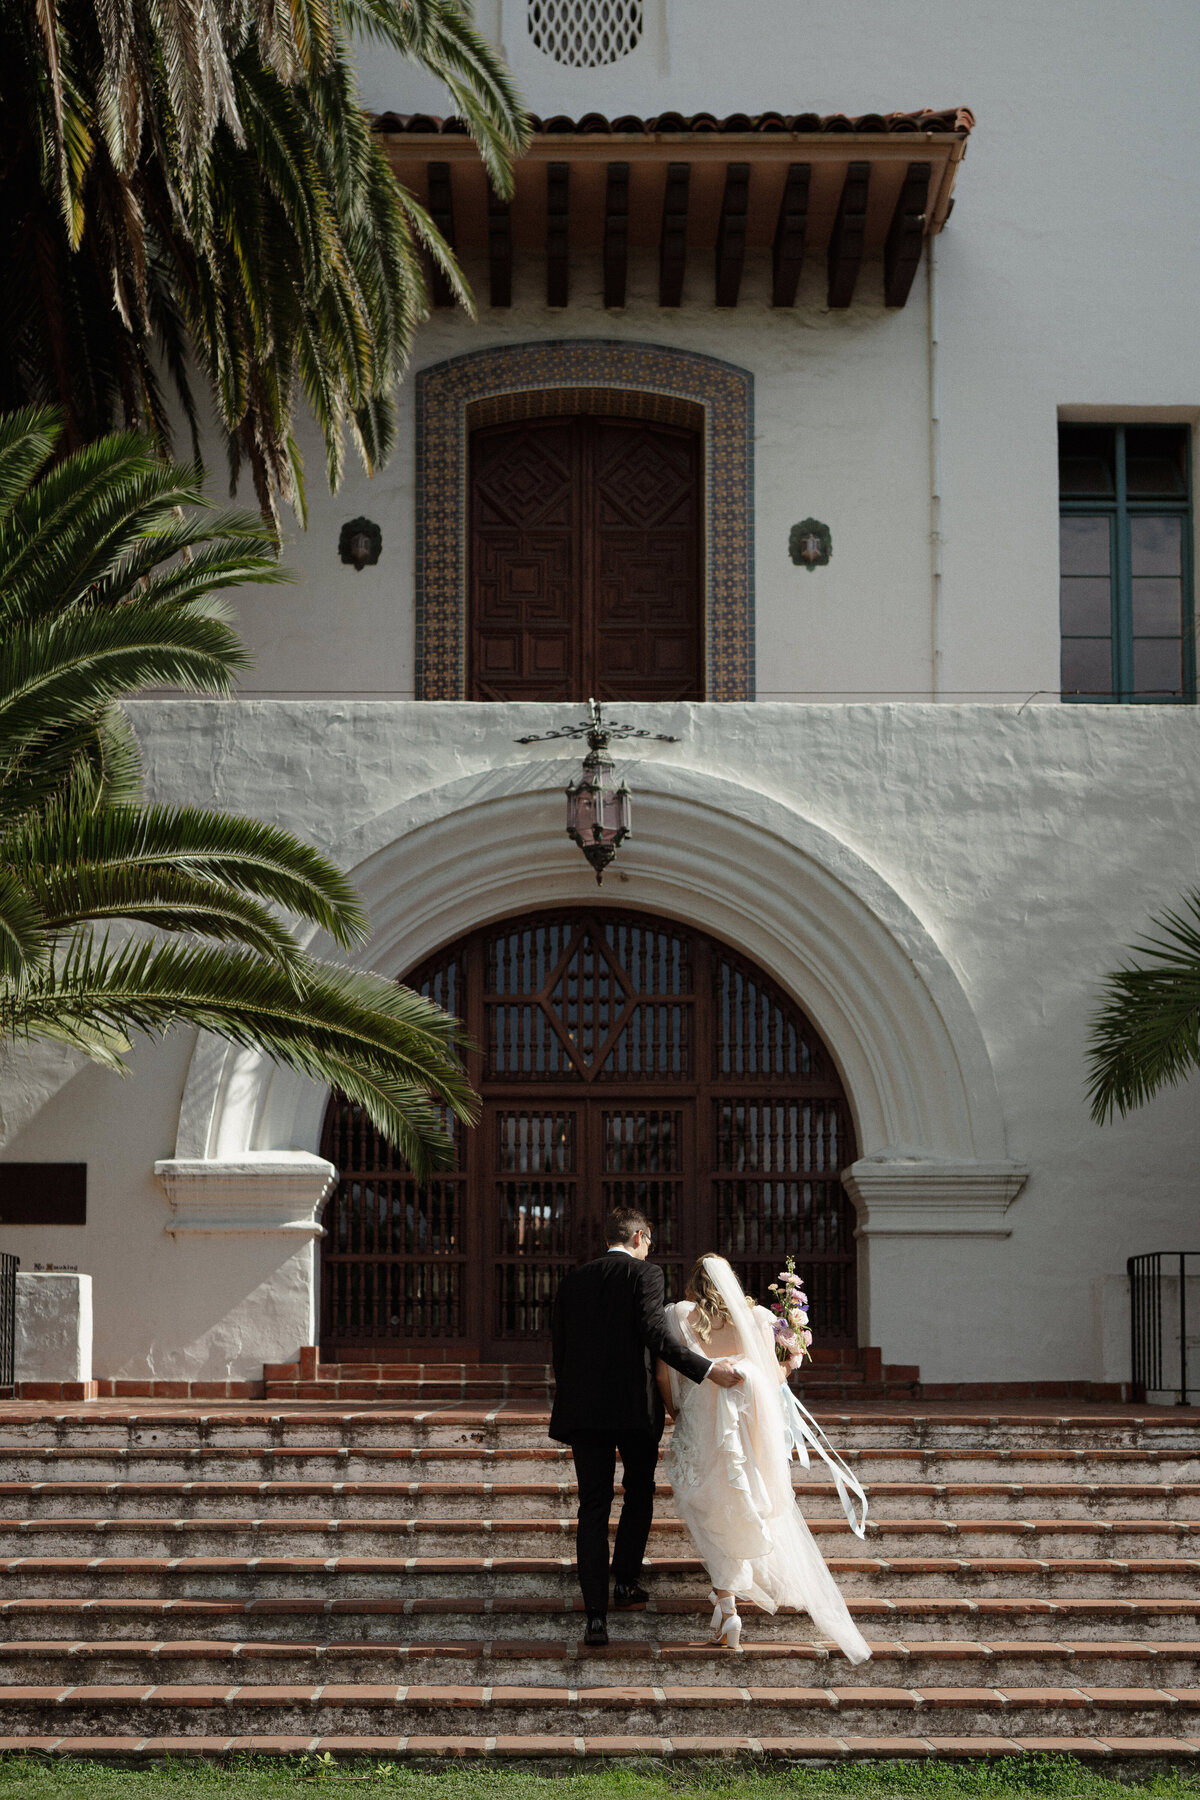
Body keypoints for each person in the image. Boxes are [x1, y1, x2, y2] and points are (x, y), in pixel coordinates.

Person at [655, 1254, 872, 1663]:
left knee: (711, 1512)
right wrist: (790, 1362)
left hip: (701, 1430)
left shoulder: (680, 1315)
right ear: (732, 1281)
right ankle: (727, 1608)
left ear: (694, 1282)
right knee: (743, 1505)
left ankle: (728, 1608)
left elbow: (664, 1373)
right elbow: (770, 1379)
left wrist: (675, 1412)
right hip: (747, 1436)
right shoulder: (755, 1317)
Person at [549, 1207, 744, 1647]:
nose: (650, 1248)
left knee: (592, 1508)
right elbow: (657, 1335)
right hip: (635, 1409)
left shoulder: (572, 1280)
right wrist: (708, 1369)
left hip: (585, 1412)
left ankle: (595, 1618)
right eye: (649, 1241)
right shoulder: (646, 1275)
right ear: (638, 1236)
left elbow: (560, 1351)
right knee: (639, 1491)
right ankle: (625, 1584)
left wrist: (576, 1396)